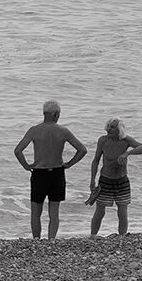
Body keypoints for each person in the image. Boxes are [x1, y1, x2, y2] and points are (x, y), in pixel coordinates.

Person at [13, 100, 88, 239]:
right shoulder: (63, 131)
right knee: (54, 212)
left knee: (36, 212)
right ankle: (51, 240)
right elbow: (82, 150)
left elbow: (18, 151)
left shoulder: (34, 130)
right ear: (56, 114)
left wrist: (26, 166)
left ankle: (36, 239)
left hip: (39, 173)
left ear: (44, 114)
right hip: (57, 173)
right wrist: (69, 164)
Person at [88, 118, 142, 238]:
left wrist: (127, 153)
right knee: (100, 210)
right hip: (105, 179)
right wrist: (92, 179)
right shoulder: (103, 140)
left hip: (121, 180)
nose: (109, 129)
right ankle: (93, 235)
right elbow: (96, 161)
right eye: (108, 126)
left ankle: (122, 236)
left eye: (113, 127)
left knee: (122, 210)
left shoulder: (126, 140)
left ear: (119, 130)